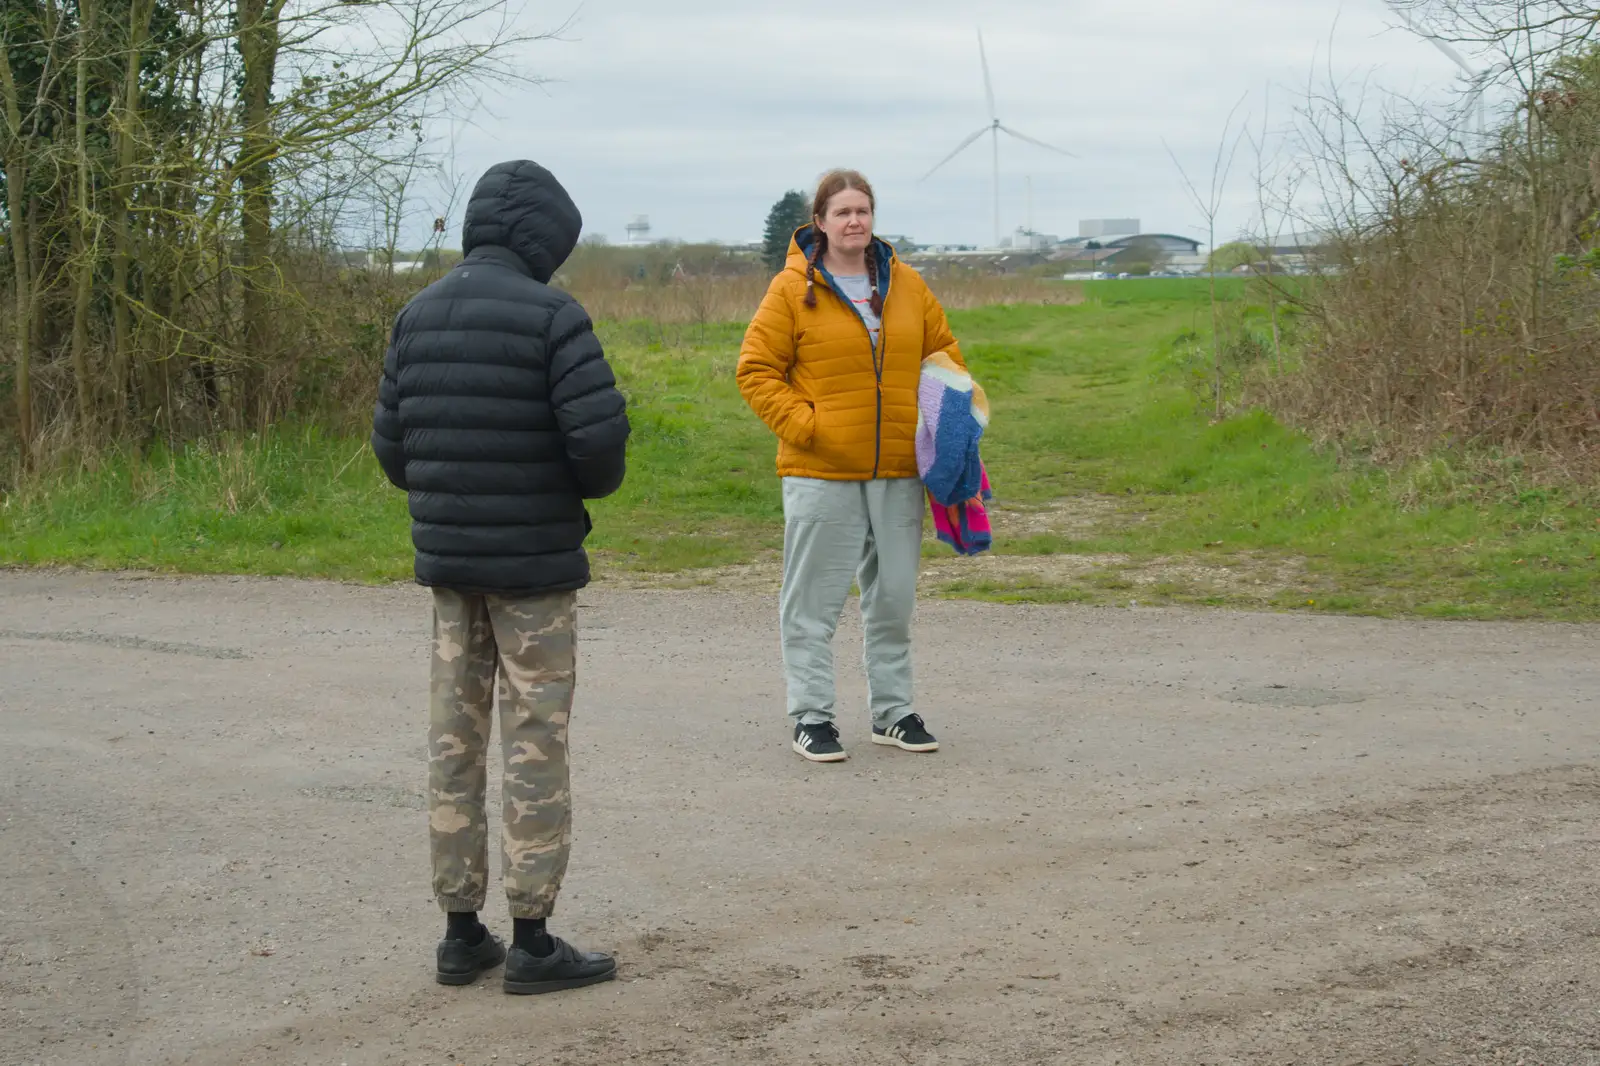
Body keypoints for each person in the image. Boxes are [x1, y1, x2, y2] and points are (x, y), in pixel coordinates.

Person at [372, 159, 629, 995]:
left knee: (455, 741)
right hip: (535, 575)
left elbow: (393, 452)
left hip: (454, 571)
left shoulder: (415, 315)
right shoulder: (556, 316)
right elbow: (598, 455)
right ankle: (532, 940)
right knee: (534, 742)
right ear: (543, 239)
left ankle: (458, 934)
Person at [737, 168, 966, 763]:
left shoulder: (909, 285)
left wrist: (949, 423)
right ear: (819, 222)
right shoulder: (791, 290)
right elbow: (756, 371)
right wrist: (810, 428)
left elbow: (944, 356)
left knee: (892, 598)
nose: (854, 221)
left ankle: (893, 712)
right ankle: (812, 717)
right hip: (821, 472)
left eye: (862, 210)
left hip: (897, 468)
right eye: (841, 212)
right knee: (813, 601)